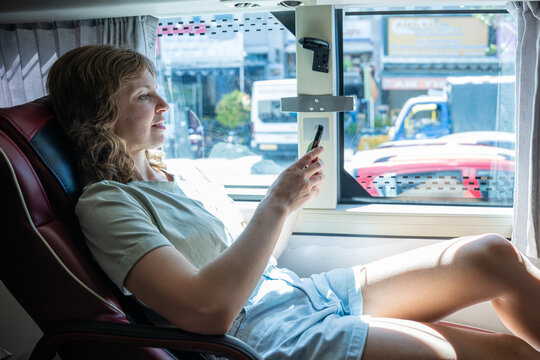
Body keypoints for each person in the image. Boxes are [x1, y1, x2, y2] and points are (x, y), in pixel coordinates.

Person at [46, 45, 540, 360]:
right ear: (98, 113)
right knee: (485, 354)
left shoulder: (183, 172)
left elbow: (257, 258)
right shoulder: (107, 204)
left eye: (158, 92)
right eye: (142, 96)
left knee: (490, 254)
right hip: (256, 332)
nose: (164, 106)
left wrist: (294, 199)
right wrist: (274, 205)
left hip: (294, 293)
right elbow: (208, 311)